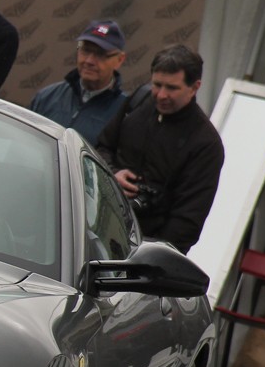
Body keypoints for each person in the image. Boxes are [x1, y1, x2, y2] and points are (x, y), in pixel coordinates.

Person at [95, 45, 225, 253]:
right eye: (157, 85)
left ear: (194, 87)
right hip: (98, 226)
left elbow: (186, 223)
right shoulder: (138, 103)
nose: (161, 95)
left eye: (172, 88)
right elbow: (102, 147)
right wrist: (112, 173)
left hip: (144, 250)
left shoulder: (205, 144)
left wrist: (146, 261)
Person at [29, 19, 129, 142]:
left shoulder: (124, 114)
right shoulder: (47, 97)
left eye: (100, 54)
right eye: (85, 50)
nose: (89, 61)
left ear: (120, 60)